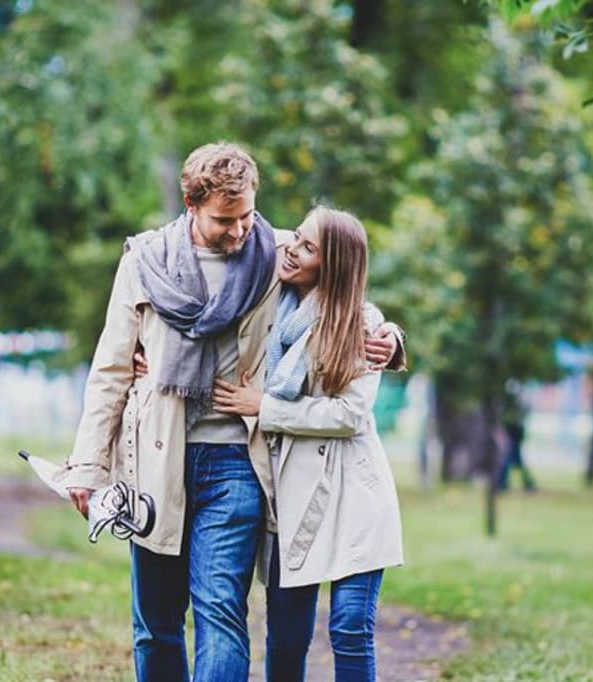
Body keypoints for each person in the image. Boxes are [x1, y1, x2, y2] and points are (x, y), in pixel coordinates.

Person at [55, 143, 402, 682]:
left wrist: (389, 337)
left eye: (247, 216)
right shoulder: (144, 263)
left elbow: (342, 288)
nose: (240, 231)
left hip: (236, 461)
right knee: (155, 624)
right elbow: (111, 370)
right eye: (225, 219)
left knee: (220, 613)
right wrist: (86, 466)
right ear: (191, 204)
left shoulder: (273, 251)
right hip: (155, 461)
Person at [212, 206, 404, 682]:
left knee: (350, 628)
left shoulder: (361, 323)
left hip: (353, 498)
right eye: (295, 238)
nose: (292, 250)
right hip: (288, 500)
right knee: (286, 636)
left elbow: (349, 415)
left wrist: (265, 408)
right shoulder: (270, 305)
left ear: (333, 265)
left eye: (308, 247)